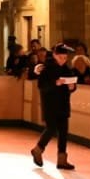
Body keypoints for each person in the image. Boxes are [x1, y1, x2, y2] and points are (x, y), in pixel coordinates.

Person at [30, 41, 80, 170]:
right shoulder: (46, 69)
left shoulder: (67, 69)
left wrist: (72, 87)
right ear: (54, 55)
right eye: (60, 57)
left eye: (65, 57)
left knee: (63, 132)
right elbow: (41, 86)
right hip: (50, 104)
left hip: (63, 104)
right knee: (51, 128)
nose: (63, 60)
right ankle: (38, 149)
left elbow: (73, 85)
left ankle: (62, 160)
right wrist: (55, 83)